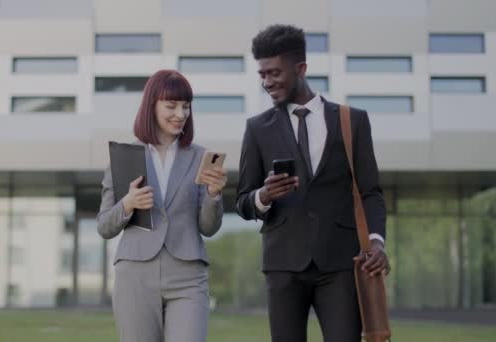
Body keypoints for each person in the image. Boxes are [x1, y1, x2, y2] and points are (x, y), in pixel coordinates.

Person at [235, 24, 390, 342]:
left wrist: (376, 241)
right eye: (262, 75)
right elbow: (243, 202)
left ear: (301, 68)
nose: (268, 82)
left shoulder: (352, 121)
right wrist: (263, 195)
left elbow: (370, 192)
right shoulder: (257, 129)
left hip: (340, 264)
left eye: (275, 73)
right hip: (283, 265)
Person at [97, 69, 227, 342]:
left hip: (188, 275)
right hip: (135, 274)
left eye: (186, 106)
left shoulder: (200, 157)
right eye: (171, 106)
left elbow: (208, 227)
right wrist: (128, 204)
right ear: (151, 106)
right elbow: (104, 226)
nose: (180, 114)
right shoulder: (124, 156)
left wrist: (214, 195)